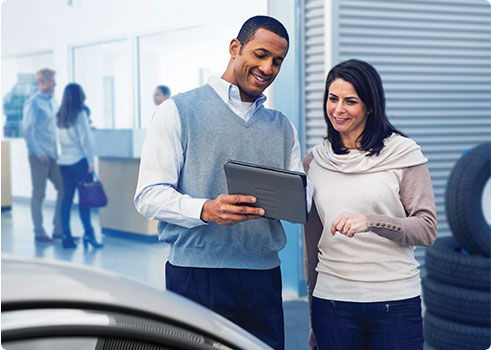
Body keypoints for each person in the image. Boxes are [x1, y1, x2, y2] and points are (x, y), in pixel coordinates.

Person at [135, 16, 311, 350]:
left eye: (277, 61)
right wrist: (206, 210)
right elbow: (148, 196)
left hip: (262, 275)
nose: (267, 67)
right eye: (260, 54)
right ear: (235, 48)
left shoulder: (282, 126)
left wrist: (304, 196)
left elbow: (298, 197)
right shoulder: (178, 110)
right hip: (197, 275)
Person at [303, 59, 437, 350]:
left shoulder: (403, 153)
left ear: (370, 106)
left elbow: (426, 229)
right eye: (332, 98)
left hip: (395, 302)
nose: (338, 109)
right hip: (333, 303)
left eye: (350, 101)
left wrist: (371, 221)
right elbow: (312, 243)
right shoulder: (314, 161)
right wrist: (314, 316)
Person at [56, 83, 103, 249]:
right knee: (85, 201)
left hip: (64, 162)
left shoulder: (60, 115)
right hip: (79, 162)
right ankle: (89, 234)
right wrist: (91, 162)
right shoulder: (81, 113)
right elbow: (85, 141)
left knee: (66, 200)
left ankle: (65, 235)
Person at [22, 68, 63, 242]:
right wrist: (39, 152)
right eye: (52, 81)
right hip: (39, 156)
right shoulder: (33, 103)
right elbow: (27, 130)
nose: (55, 84)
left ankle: (59, 229)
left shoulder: (52, 101)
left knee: (64, 188)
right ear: (42, 83)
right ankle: (39, 232)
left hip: (53, 154)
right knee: (39, 194)